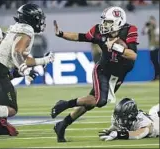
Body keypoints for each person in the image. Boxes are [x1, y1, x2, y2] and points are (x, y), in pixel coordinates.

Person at [51, 6, 138, 142]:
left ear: (119, 22)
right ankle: (65, 104)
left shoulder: (129, 30)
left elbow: (132, 55)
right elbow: (80, 37)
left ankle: (62, 124)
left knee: (91, 102)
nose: (104, 25)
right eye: (104, 21)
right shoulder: (98, 31)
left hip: (118, 75)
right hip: (103, 70)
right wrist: (61, 34)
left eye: (108, 22)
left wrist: (116, 47)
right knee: (99, 101)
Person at [0, 3, 54, 146]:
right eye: (39, 18)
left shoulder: (18, 29)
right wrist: (25, 70)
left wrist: (44, 60)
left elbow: (20, 55)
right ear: (31, 18)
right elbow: (17, 53)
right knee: (11, 109)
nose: (41, 21)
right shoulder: (27, 30)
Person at [142, 16, 159, 80]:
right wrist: (145, 26)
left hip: (156, 46)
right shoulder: (149, 28)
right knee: (153, 61)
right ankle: (157, 75)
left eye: (152, 20)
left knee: (155, 61)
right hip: (151, 46)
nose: (151, 22)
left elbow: (157, 36)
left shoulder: (156, 28)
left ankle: (157, 75)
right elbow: (143, 32)